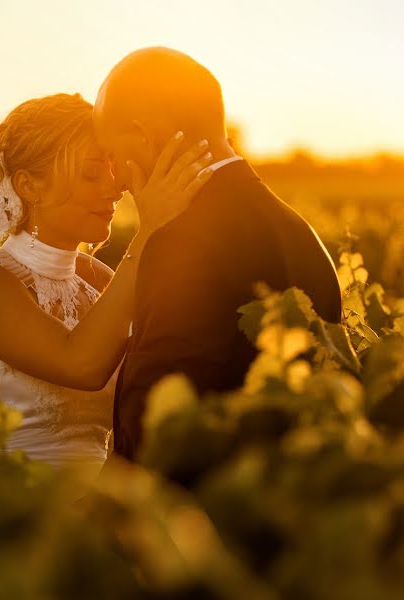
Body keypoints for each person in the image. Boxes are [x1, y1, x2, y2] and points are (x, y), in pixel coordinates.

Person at [0, 92, 213, 565]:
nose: (114, 188)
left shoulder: (100, 280)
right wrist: (148, 232)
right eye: (91, 172)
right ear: (31, 186)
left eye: (112, 168)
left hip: (89, 556)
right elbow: (82, 362)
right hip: (3, 561)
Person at [93, 48, 343, 461]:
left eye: (112, 154)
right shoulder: (303, 234)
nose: (115, 177)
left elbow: (155, 425)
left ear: (143, 136)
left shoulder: (180, 239)